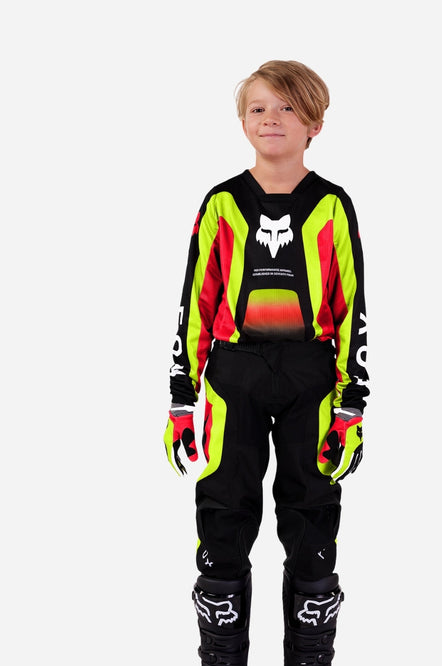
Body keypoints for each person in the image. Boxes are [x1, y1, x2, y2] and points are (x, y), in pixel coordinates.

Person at [164, 60, 369, 666]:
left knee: (313, 520)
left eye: (287, 108)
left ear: (315, 125)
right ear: (242, 121)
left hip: (312, 377)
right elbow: (196, 300)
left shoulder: (332, 205)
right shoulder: (222, 203)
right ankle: (221, 654)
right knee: (223, 514)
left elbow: (353, 304)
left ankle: (310, 654)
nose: (271, 118)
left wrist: (351, 405)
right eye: (259, 107)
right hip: (234, 376)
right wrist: (181, 397)